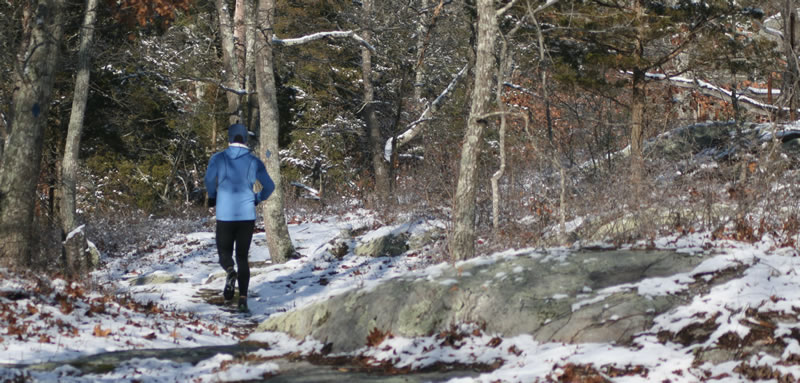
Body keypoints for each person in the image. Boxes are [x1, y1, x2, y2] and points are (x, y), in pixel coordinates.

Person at [204, 123, 274, 313]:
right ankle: (242, 298)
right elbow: (270, 186)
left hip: (225, 214)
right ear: (245, 139)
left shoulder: (218, 158)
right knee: (242, 256)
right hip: (246, 216)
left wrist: (212, 196)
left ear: (229, 138)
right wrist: (257, 199)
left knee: (224, 252)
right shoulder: (254, 162)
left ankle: (229, 271)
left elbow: (209, 179)